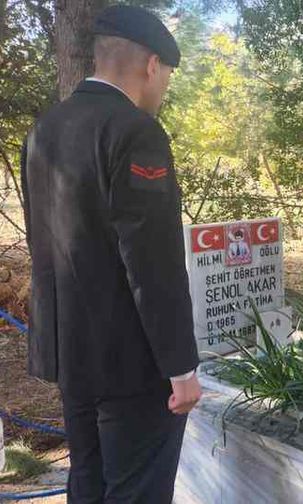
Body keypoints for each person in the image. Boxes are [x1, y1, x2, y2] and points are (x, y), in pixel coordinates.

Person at [20, 6, 201, 502]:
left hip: (71, 355)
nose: (163, 88)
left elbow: (45, 247)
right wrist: (181, 368)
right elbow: (152, 262)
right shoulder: (136, 132)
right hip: (132, 365)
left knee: (87, 483)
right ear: (151, 66)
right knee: (136, 490)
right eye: (166, 74)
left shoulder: (43, 131)